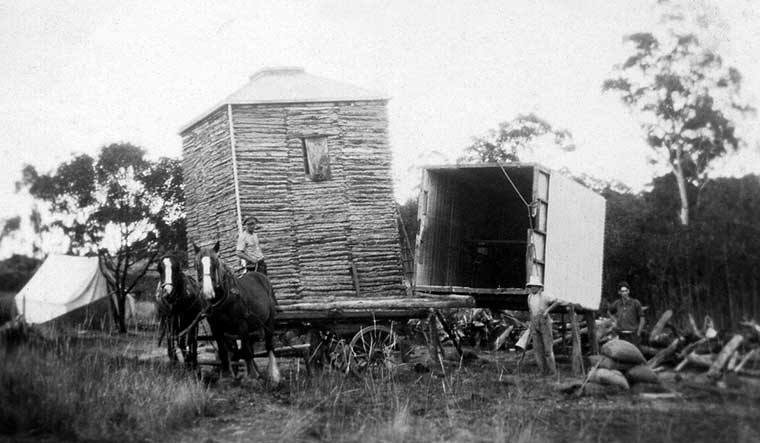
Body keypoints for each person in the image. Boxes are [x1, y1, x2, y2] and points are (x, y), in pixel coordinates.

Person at [526, 275, 563, 376]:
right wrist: (531, 323)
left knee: (548, 349)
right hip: (534, 322)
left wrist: (547, 310)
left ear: (539, 287)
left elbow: (557, 301)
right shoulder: (529, 297)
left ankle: (552, 372)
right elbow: (531, 311)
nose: (533, 288)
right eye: (531, 286)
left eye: (535, 286)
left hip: (544, 322)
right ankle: (543, 371)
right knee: (537, 349)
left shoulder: (545, 295)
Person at [608, 281, 645, 345]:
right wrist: (615, 320)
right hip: (621, 334)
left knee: (634, 353)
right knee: (622, 353)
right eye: (622, 291)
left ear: (629, 291)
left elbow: (642, 319)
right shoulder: (617, 303)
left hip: (633, 334)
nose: (624, 293)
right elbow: (609, 312)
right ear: (619, 292)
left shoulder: (635, 303)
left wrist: (638, 333)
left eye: (626, 291)